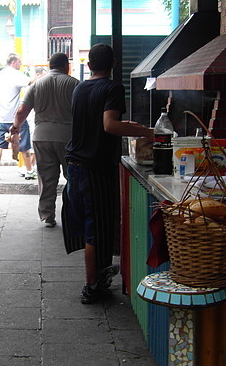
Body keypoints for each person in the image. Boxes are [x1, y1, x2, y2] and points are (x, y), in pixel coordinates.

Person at [63, 43, 154, 304]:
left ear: (89, 65)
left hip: (75, 165)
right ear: (113, 64)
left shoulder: (80, 88)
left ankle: (99, 276)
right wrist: (148, 133)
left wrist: (131, 126)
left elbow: (95, 122)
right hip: (95, 169)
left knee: (93, 225)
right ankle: (91, 286)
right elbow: (109, 125)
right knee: (96, 227)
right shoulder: (113, 87)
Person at [11, 53, 79, 228]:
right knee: (72, 177)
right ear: (67, 66)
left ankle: (47, 216)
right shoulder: (74, 84)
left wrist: (16, 127)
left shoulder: (36, 85)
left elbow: (21, 111)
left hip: (42, 137)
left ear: (50, 66)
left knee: (47, 178)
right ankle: (73, 215)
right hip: (68, 137)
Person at [0, 53, 32, 180]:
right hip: (17, 118)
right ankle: (29, 171)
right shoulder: (17, 74)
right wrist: (33, 69)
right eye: (19, 62)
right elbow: (31, 82)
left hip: (2, 117)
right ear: (14, 62)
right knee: (24, 144)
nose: (20, 64)